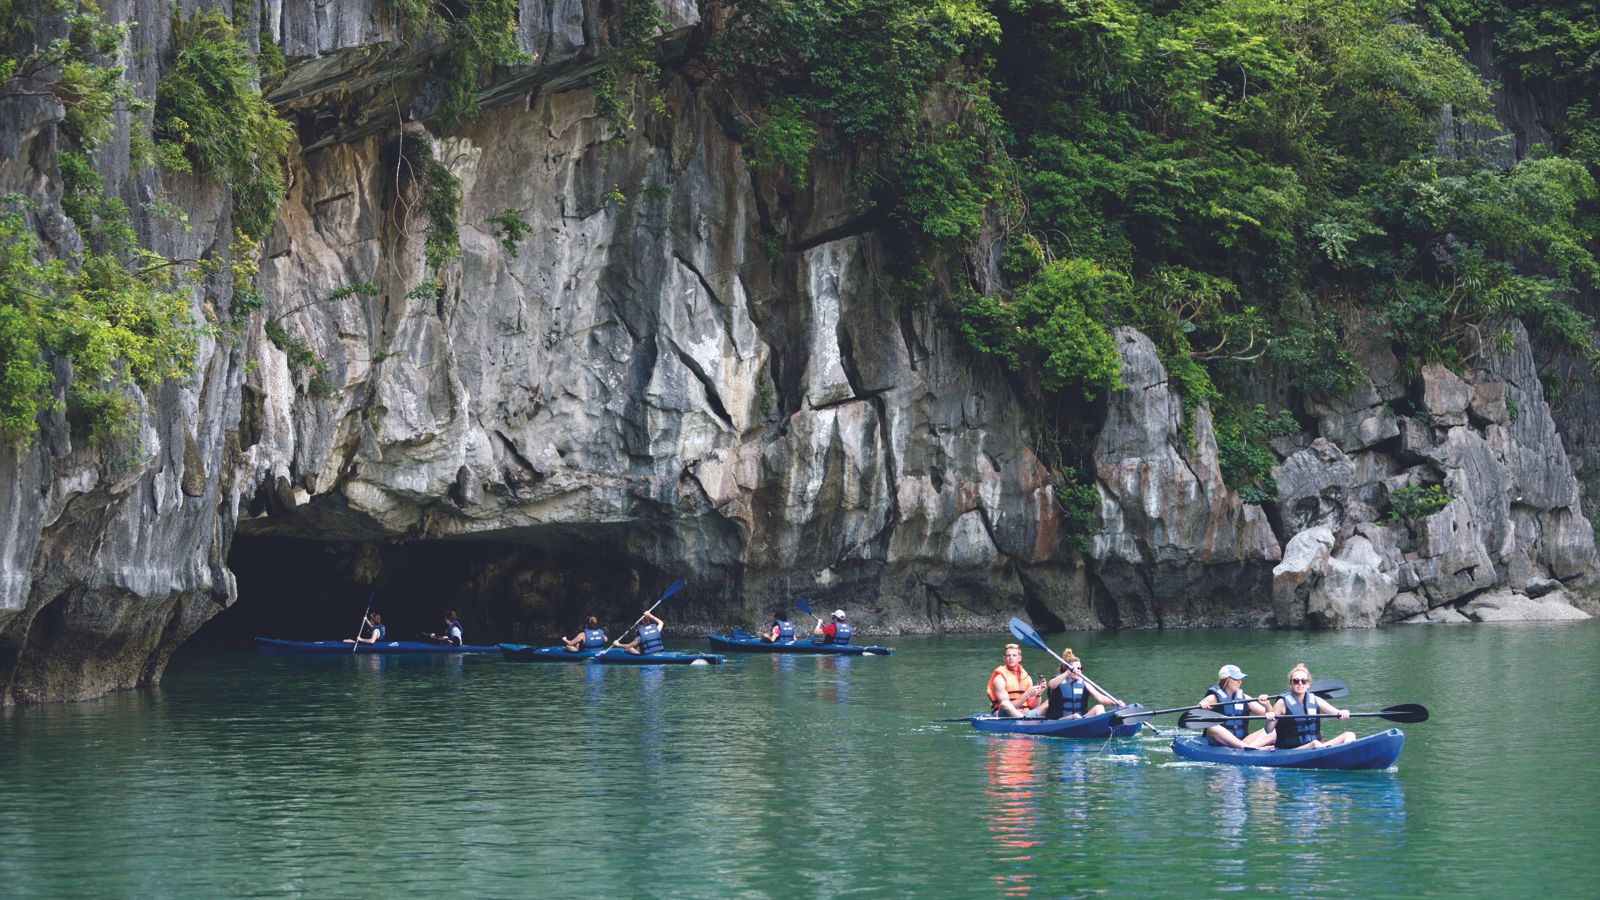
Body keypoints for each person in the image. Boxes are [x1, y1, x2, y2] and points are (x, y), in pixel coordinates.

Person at [1268, 663, 1356, 749]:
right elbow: (1268, 730)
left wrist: (1343, 712)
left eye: (1303, 681)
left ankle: (1345, 754)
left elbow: (1337, 713)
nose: (1300, 684)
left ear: (1308, 684)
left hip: (1318, 746)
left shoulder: (1315, 699)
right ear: (1290, 684)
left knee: (1349, 735)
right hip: (1292, 750)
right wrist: (1270, 719)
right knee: (1314, 744)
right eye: (1296, 681)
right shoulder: (1281, 703)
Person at [1195, 664, 1276, 749]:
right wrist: (1201, 708)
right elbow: (1194, 717)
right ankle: (1251, 748)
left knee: (1273, 730)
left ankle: (1250, 748)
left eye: (1240, 679)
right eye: (1236, 679)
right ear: (1226, 680)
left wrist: (1267, 704)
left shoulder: (1245, 698)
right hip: (1219, 741)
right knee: (1212, 726)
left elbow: (1271, 717)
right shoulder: (1213, 698)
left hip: (1242, 741)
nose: (1239, 681)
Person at [1033, 649, 1119, 720]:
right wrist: (1068, 672)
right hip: (1058, 721)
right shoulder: (1058, 680)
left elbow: (1102, 698)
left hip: (1080, 720)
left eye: (1080, 668)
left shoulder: (1084, 683)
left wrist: (1116, 702)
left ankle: (1103, 727)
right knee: (1075, 716)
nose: (1079, 671)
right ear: (1069, 669)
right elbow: (1051, 685)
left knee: (1099, 707)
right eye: (1076, 668)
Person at [986, 643, 1045, 717]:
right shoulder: (999, 679)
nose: (1011, 658)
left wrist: (1039, 694)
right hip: (1005, 715)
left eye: (1014, 655)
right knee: (1005, 704)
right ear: (1004, 658)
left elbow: (1033, 707)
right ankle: (1024, 720)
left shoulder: (1027, 678)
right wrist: (1027, 694)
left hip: (1026, 714)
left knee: (1049, 703)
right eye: (1008, 655)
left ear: (1019, 658)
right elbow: (1005, 707)